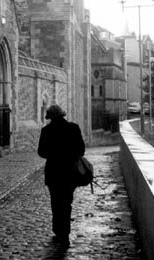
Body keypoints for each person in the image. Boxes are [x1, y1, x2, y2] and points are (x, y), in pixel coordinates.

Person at [38, 104, 85, 247]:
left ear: (50, 117)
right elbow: (81, 150)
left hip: (53, 172)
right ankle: (65, 232)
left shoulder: (46, 130)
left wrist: (54, 154)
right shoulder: (74, 128)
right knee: (67, 202)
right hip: (70, 172)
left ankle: (58, 230)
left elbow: (41, 152)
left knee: (56, 202)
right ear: (62, 115)